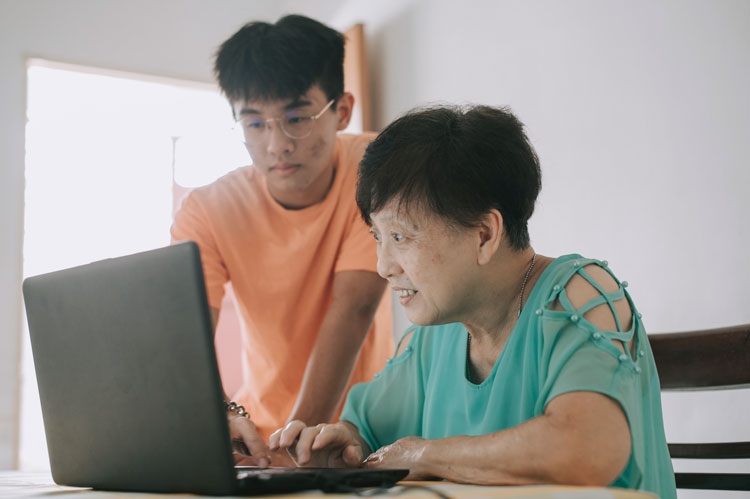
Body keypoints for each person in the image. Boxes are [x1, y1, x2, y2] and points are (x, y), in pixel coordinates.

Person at [270, 104, 677, 499]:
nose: (383, 266)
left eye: (400, 237)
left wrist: (425, 454)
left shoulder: (579, 295)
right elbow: (366, 436)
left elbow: (586, 450)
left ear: (484, 234)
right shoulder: (434, 334)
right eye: (378, 237)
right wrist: (344, 446)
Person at [170, 15, 393, 465]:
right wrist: (218, 414)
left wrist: (297, 448)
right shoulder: (207, 209)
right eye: (255, 124)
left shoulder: (378, 169)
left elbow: (353, 309)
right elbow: (186, 333)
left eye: (297, 118)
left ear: (342, 110)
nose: (276, 144)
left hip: (364, 430)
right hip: (260, 432)